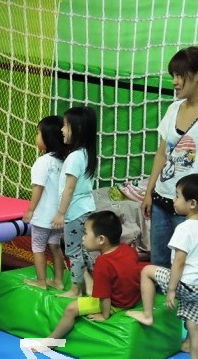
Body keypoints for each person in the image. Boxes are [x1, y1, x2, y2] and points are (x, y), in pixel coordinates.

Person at [141, 46, 198, 268]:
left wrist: (196, 207)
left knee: (186, 266)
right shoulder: (174, 108)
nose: (175, 82)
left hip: (190, 205)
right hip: (162, 198)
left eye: (180, 75)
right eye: (173, 76)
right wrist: (149, 192)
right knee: (159, 262)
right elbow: (161, 154)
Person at [128, 174, 198, 359]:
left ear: (192, 203)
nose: (174, 200)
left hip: (186, 284)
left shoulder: (184, 228)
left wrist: (171, 289)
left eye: (177, 196)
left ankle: (147, 315)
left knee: (147, 271)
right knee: (194, 328)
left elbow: (179, 261)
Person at [49, 211, 144, 342]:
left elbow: (105, 296)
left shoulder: (103, 262)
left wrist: (104, 315)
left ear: (101, 239)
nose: (83, 238)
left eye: (86, 233)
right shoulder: (128, 249)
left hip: (117, 304)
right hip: (132, 298)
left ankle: (51, 341)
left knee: (71, 309)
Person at [52, 106, 98, 298]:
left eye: (65, 125)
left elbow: (69, 189)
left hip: (75, 212)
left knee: (73, 252)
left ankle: (75, 289)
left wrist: (61, 214)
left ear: (77, 129)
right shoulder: (87, 154)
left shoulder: (74, 157)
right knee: (82, 250)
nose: (62, 130)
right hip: (86, 209)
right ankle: (89, 284)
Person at [22, 115, 68, 290]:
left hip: (43, 216)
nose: (36, 137)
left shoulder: (43, 162)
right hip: (58, 215)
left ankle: (41, 282)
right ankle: (58, 281)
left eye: (38, 133)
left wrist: (30, 210)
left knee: (38, 247)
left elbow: (38, 188)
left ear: (48, 138)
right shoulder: (64, 162)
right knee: (55, 246)